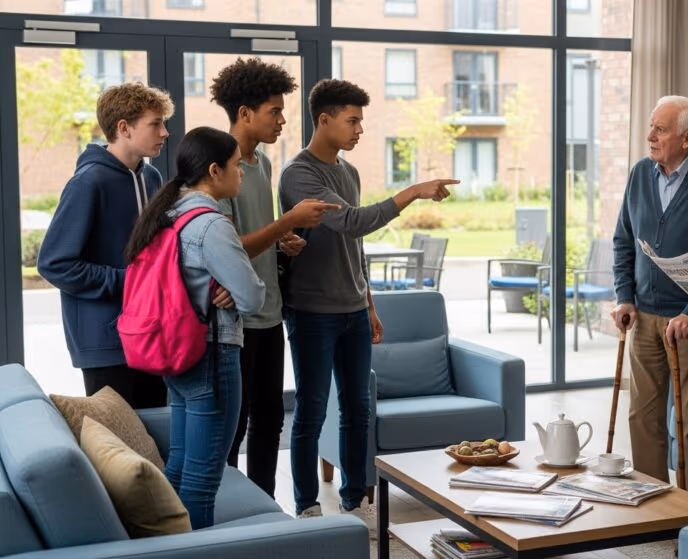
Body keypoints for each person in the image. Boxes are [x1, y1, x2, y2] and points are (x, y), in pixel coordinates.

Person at [279, 79, 457, 523]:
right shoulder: (298, 174)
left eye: (361, 121)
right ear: (324, 120)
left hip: (353, 311)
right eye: (352, 120)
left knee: (359, 409)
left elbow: (353, 251)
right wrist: (412, 192)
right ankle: (306, 506)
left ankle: (355, 500)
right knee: (312, 410)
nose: (360, 130)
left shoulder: (349, 172)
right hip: (312, 313)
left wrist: (369, 305)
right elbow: (353, 224)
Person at [209, 57, 339, 498]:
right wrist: (287, 224)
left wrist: (283, 240)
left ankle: (263, 506)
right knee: (234, 423)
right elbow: (227, 250)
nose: (283, 120)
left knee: (269, 420)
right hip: (236, 321)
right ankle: (225, 511)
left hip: (269, 313)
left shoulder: (262, 164)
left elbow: (255, 235)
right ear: (244, 113)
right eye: (274, 112)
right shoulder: (219, 169)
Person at [124, 126, 266, 529]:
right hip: (212, 355)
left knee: (180, 471)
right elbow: (254, 298)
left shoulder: (167, 214)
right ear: (214, 170)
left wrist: (227, 287)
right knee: (203, 482)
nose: (242, 173)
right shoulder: (212, 225)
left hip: (179, 356)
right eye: (238, 166)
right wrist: (233, 288)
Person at [611, 95, 688, 497]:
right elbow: (623, 241)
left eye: (660, 129)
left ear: (687, 138)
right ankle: (653, 511)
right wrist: (624, 297)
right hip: (644, 316)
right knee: (643, 418)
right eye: (651, 127)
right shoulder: (639, 174)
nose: (650, 136)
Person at [38, 82, 175, 409]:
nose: (165, 132)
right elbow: (54, 263)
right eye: (155, 124)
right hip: (105, 342)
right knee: (117, 445)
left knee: (153, 440)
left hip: (149, 332)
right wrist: (128, 281)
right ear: (123, 128)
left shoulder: (151, 178)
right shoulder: (88, 182)